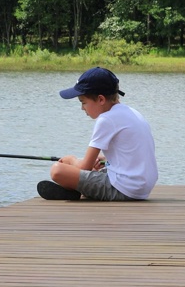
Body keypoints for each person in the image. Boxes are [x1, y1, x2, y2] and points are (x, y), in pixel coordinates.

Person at [37, 67, 158, 201]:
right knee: (95, 170)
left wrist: (71, 160)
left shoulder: (106, 119)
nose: (82, 108)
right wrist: (105, 161)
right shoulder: (131, 113)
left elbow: (85, 167)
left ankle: (74, 189)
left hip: (124, 190)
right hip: (141, 188)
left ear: (101, 99)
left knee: (58, 170)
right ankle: (76, 188)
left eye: (83, 102)